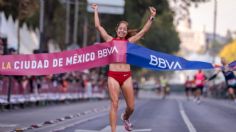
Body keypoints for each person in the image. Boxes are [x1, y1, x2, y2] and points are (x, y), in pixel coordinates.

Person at [91, 4, 156, 132]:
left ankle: (125, 117)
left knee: (131, 107)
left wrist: (151, 17)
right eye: (120, 28)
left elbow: (143, 31)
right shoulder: (110, 40)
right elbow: (98, 26)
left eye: (124, 29)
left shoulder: (129, 42)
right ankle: (113, 130)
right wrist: (96, 10)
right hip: (113, 76)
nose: (122, 30)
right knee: (114, 103)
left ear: (126, 31)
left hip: (126, 76)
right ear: (117, 30)